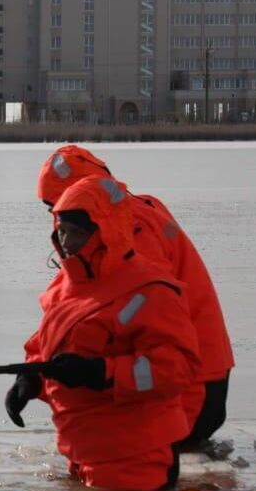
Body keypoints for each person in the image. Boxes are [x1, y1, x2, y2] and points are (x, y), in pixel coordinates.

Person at [7, 175, 201, 491]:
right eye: (62, 231)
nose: (67, 242)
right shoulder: (66, 286)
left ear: (105, 232)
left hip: (135, 456)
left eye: (77, 233)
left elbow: (176, 367)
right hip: (81, 447)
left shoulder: (150, 289)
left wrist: (103, 373)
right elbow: (48, 345)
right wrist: (30, 379)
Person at [35, 145, 233, 450]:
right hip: (200, 370)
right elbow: (67, 311)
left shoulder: (127, 233)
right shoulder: (130, 217)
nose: (57, 222)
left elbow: (138, 318)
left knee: (154, 461)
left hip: (191, 381)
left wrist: (96, 371)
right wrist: (36, 371)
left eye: (60, 210)